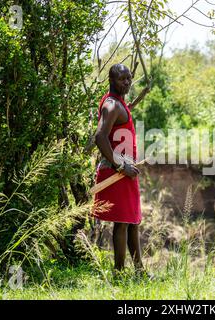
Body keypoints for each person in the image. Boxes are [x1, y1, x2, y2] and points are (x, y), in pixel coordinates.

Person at [93, 63, 145, 276]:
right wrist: (121, 165)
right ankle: (119, 273)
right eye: (123, 79)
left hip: (125, 170)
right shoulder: (112, 105)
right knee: (122, 222)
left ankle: (140, 271)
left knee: (132, 220)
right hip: (117, 172)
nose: (127, 82)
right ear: (112, 81)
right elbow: (100, 137)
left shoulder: (119, 103)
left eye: (129, 78)